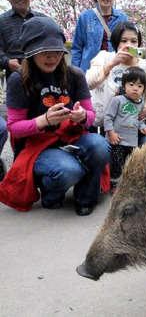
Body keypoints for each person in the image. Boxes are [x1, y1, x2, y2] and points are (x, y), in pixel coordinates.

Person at [0, 17, 110, 215]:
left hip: (71, 136)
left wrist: (82, 116)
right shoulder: (19, 80)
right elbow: (14, 127)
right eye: (44, 52)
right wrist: (44, 120)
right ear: (31, 53)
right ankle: (51, 195)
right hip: (36, 145)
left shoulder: (75, 75)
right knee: (69, 170)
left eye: (56, 51)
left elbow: (91, 115)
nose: (51, 57)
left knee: (100, 146)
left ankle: (86, 198)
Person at [85, 21, 146, 139]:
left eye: (133, 41)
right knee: (105, 152)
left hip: (134, 123)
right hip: (108, 124)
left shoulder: (145, 66)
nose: (129, 45)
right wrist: (112, 64)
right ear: (116, 42)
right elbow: (88, 84)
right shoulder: (104, 57)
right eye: (124, 40)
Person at [71, 0, 128, 73]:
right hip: (89, 71)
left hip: (114, 71)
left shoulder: (122, 18)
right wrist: (75, 74)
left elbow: (128, 46)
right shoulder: (85, 17)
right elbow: (77, 48)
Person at [104, 67, 146, 187]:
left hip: (132, 141)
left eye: (140, 86)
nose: (135, 88)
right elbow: (108, 117)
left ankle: (125, 184)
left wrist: (142, 126)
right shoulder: (117, 100)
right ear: (124, 86)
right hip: (118, 140)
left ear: (144, 89)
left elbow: (137, 119)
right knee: (116, 164)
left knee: (129, 163)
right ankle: (114, 184)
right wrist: (111, 133)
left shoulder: (140, 103)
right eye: (131, 84)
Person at [0, 0, 46, 79]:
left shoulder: (44, 20)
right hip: (16, 77)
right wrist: (7, 62)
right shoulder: (1, 22)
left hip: (44, 76)